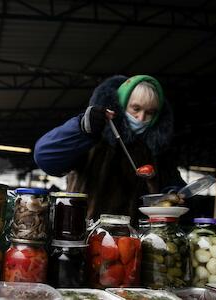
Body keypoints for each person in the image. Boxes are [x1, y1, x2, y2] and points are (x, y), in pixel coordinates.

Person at [34, 75, 185, 224]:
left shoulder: (157, 150)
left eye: (149, 113)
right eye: (136, 109)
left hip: (138, 240)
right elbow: (45, 158)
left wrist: (173, 195)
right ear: (121, 104)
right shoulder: (94, 138)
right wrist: (81, 129)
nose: (141, 117)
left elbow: (174, 187)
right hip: (84, 233)